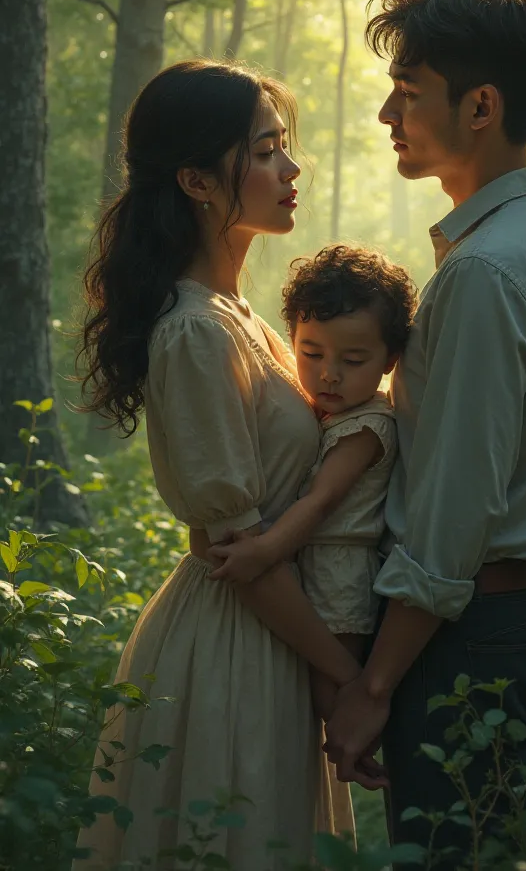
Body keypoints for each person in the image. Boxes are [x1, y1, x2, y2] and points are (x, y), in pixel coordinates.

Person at [323, 0, 526, 867]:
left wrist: (373, 685)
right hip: (498, 626)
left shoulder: (488, 275)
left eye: (408, 94)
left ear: (480, 107)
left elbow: (453, 515)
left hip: (462, 637)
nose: (387, 116)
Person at [75, 60, 360, 870]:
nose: (291, 168)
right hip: (236, 648)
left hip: (274, 638)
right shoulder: (196, 334)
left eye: (285, 147)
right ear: (198, 179)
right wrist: (347, 680)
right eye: (267, 151)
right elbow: (238, 552)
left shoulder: (240, 316)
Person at [207, 245, 416, 723]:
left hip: (339, 567)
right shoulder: (324, 410)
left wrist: (265, 550)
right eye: (312, 352)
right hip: (306, 561)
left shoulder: (368, 425)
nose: (328, 373)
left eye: (354, 360)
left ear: (390, 359)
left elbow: (322, 501)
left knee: (329, 697)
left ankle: (358, 763)